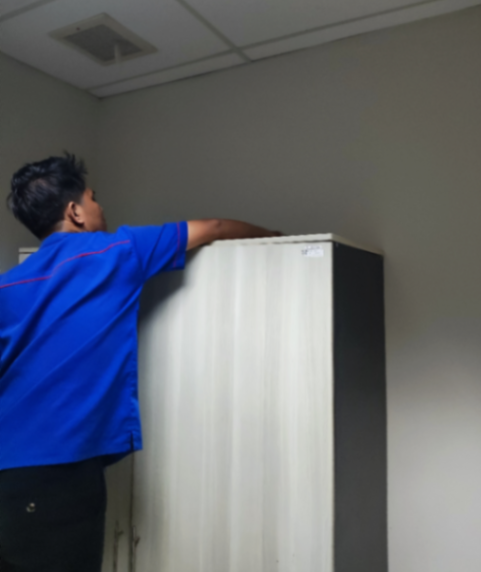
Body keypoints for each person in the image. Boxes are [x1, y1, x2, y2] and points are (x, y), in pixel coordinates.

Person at [0, 153, 279, 572]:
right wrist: (274, 236)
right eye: (94, 198)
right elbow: (215, 228)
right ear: (75, 211)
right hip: (59, 469)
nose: (101, 207)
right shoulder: (117, 250)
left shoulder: (7, 284)